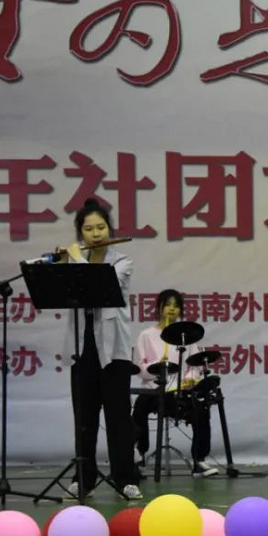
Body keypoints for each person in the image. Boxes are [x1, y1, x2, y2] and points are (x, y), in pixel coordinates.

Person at [60, 198, 142, 500]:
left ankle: (125, 478)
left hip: (113, 352)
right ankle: (84, 478)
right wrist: (63, 263)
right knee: (84, 419)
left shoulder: (122, 261)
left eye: (101, 227)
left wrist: (75, 260)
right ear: (80, 232)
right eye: (88, 229)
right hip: (82, 349)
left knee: (118, 418)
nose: (95, 234)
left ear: (109, 228)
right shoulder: (74, 261)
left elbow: (98, 285)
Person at [132, 289, 218, 477]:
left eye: (176, 306)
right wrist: (157, 368)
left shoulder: (187, 337)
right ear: (159, 307)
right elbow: (139, 366)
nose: (172, 309)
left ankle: (199, 460)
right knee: (139, 408)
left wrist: (190, 378)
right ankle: (139, 455)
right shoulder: (146, 335)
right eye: (168, 304)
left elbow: (194, 365)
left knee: (201, 409)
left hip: (179, 390)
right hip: (154, 390)